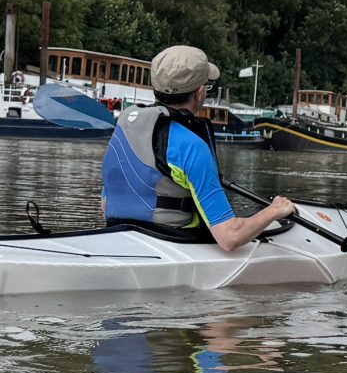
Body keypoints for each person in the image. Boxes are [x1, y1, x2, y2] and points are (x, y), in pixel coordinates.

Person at [102, 45, 294, 248]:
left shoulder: (124, 126)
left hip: (119, 234)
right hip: (172, 241)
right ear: (200, 93)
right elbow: (229, 238)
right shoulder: (192, 146)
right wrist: (275, 210)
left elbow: (105, 204)